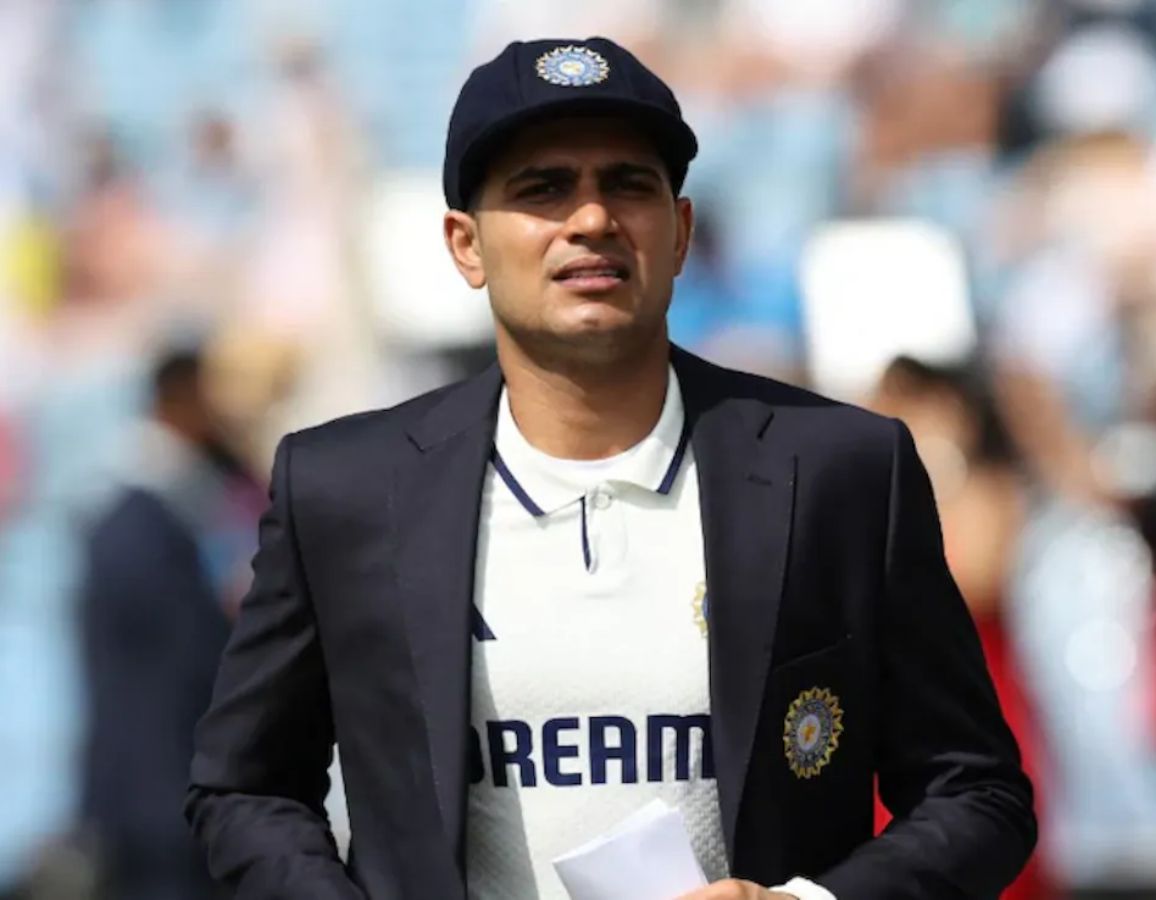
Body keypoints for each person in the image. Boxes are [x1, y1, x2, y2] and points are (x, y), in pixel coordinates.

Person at [186, 37, 1036, 899]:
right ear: (464, 245)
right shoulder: (344, 488)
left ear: (681, 231)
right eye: (543, 188)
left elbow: (977, 792)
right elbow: (242, 788)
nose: (591, 219)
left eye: (628, 184)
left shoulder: (839, 470)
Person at [81, 348, 263, 900]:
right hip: (162, 796)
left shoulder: (151, 513)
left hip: (152, 794)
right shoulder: (145, 525)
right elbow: (189, 660)